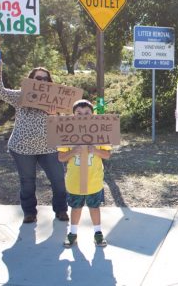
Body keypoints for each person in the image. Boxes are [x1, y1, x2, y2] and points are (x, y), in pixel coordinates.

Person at [0, 62, 68, 223]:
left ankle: (61, 210)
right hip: (22, 148)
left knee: (59, 179)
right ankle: (29, 213)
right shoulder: (20, 96)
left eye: (45, 79)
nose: (42, 81)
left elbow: (64, 122)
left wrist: (55, 113)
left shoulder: (55, 98)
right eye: (38, 78)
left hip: (49, 147)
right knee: (27, 182)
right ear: (31, 79)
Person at [57, 100, 112, 247]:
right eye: (78, 114)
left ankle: (98, 233)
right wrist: (74, 150)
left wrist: (95, 150)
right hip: (74, 181)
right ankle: (73, 233)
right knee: (76, 208)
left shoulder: (100, 132)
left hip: (94, 180)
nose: (83, 116)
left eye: (87, 113)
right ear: (73, 116)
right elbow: (61, 157)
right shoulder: (66, 133)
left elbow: (107, 155)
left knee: (94, 207)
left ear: (93, 115)